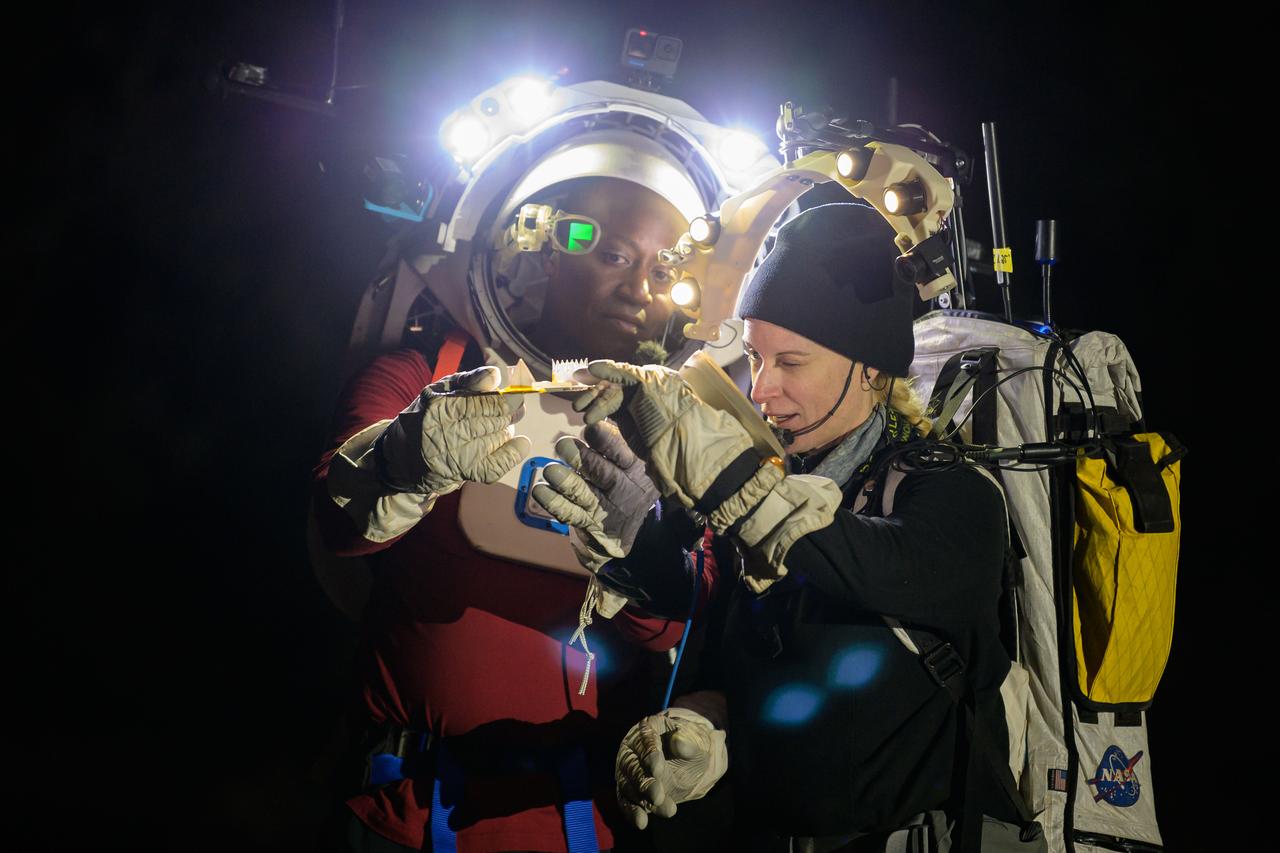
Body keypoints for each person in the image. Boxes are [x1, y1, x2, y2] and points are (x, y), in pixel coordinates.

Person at [534, 203, 1026, 850]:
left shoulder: (953, 496)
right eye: (757, 357)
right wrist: (636, 539)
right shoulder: (772, 482)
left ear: (871, 367)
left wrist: (733, 483)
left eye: (790, 362)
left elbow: (873, 566)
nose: (762, 390)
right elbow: (709, 600)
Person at [312, 175, 709, 853]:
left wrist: (640, 549)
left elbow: (685, 620)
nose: (641, 289)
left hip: (578, 818)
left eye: (663, 269)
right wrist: (403, 459)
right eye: (614, 254)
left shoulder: (674, 435)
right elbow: (337, 519)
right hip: (407, 812)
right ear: (549, 247)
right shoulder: (424, 374)